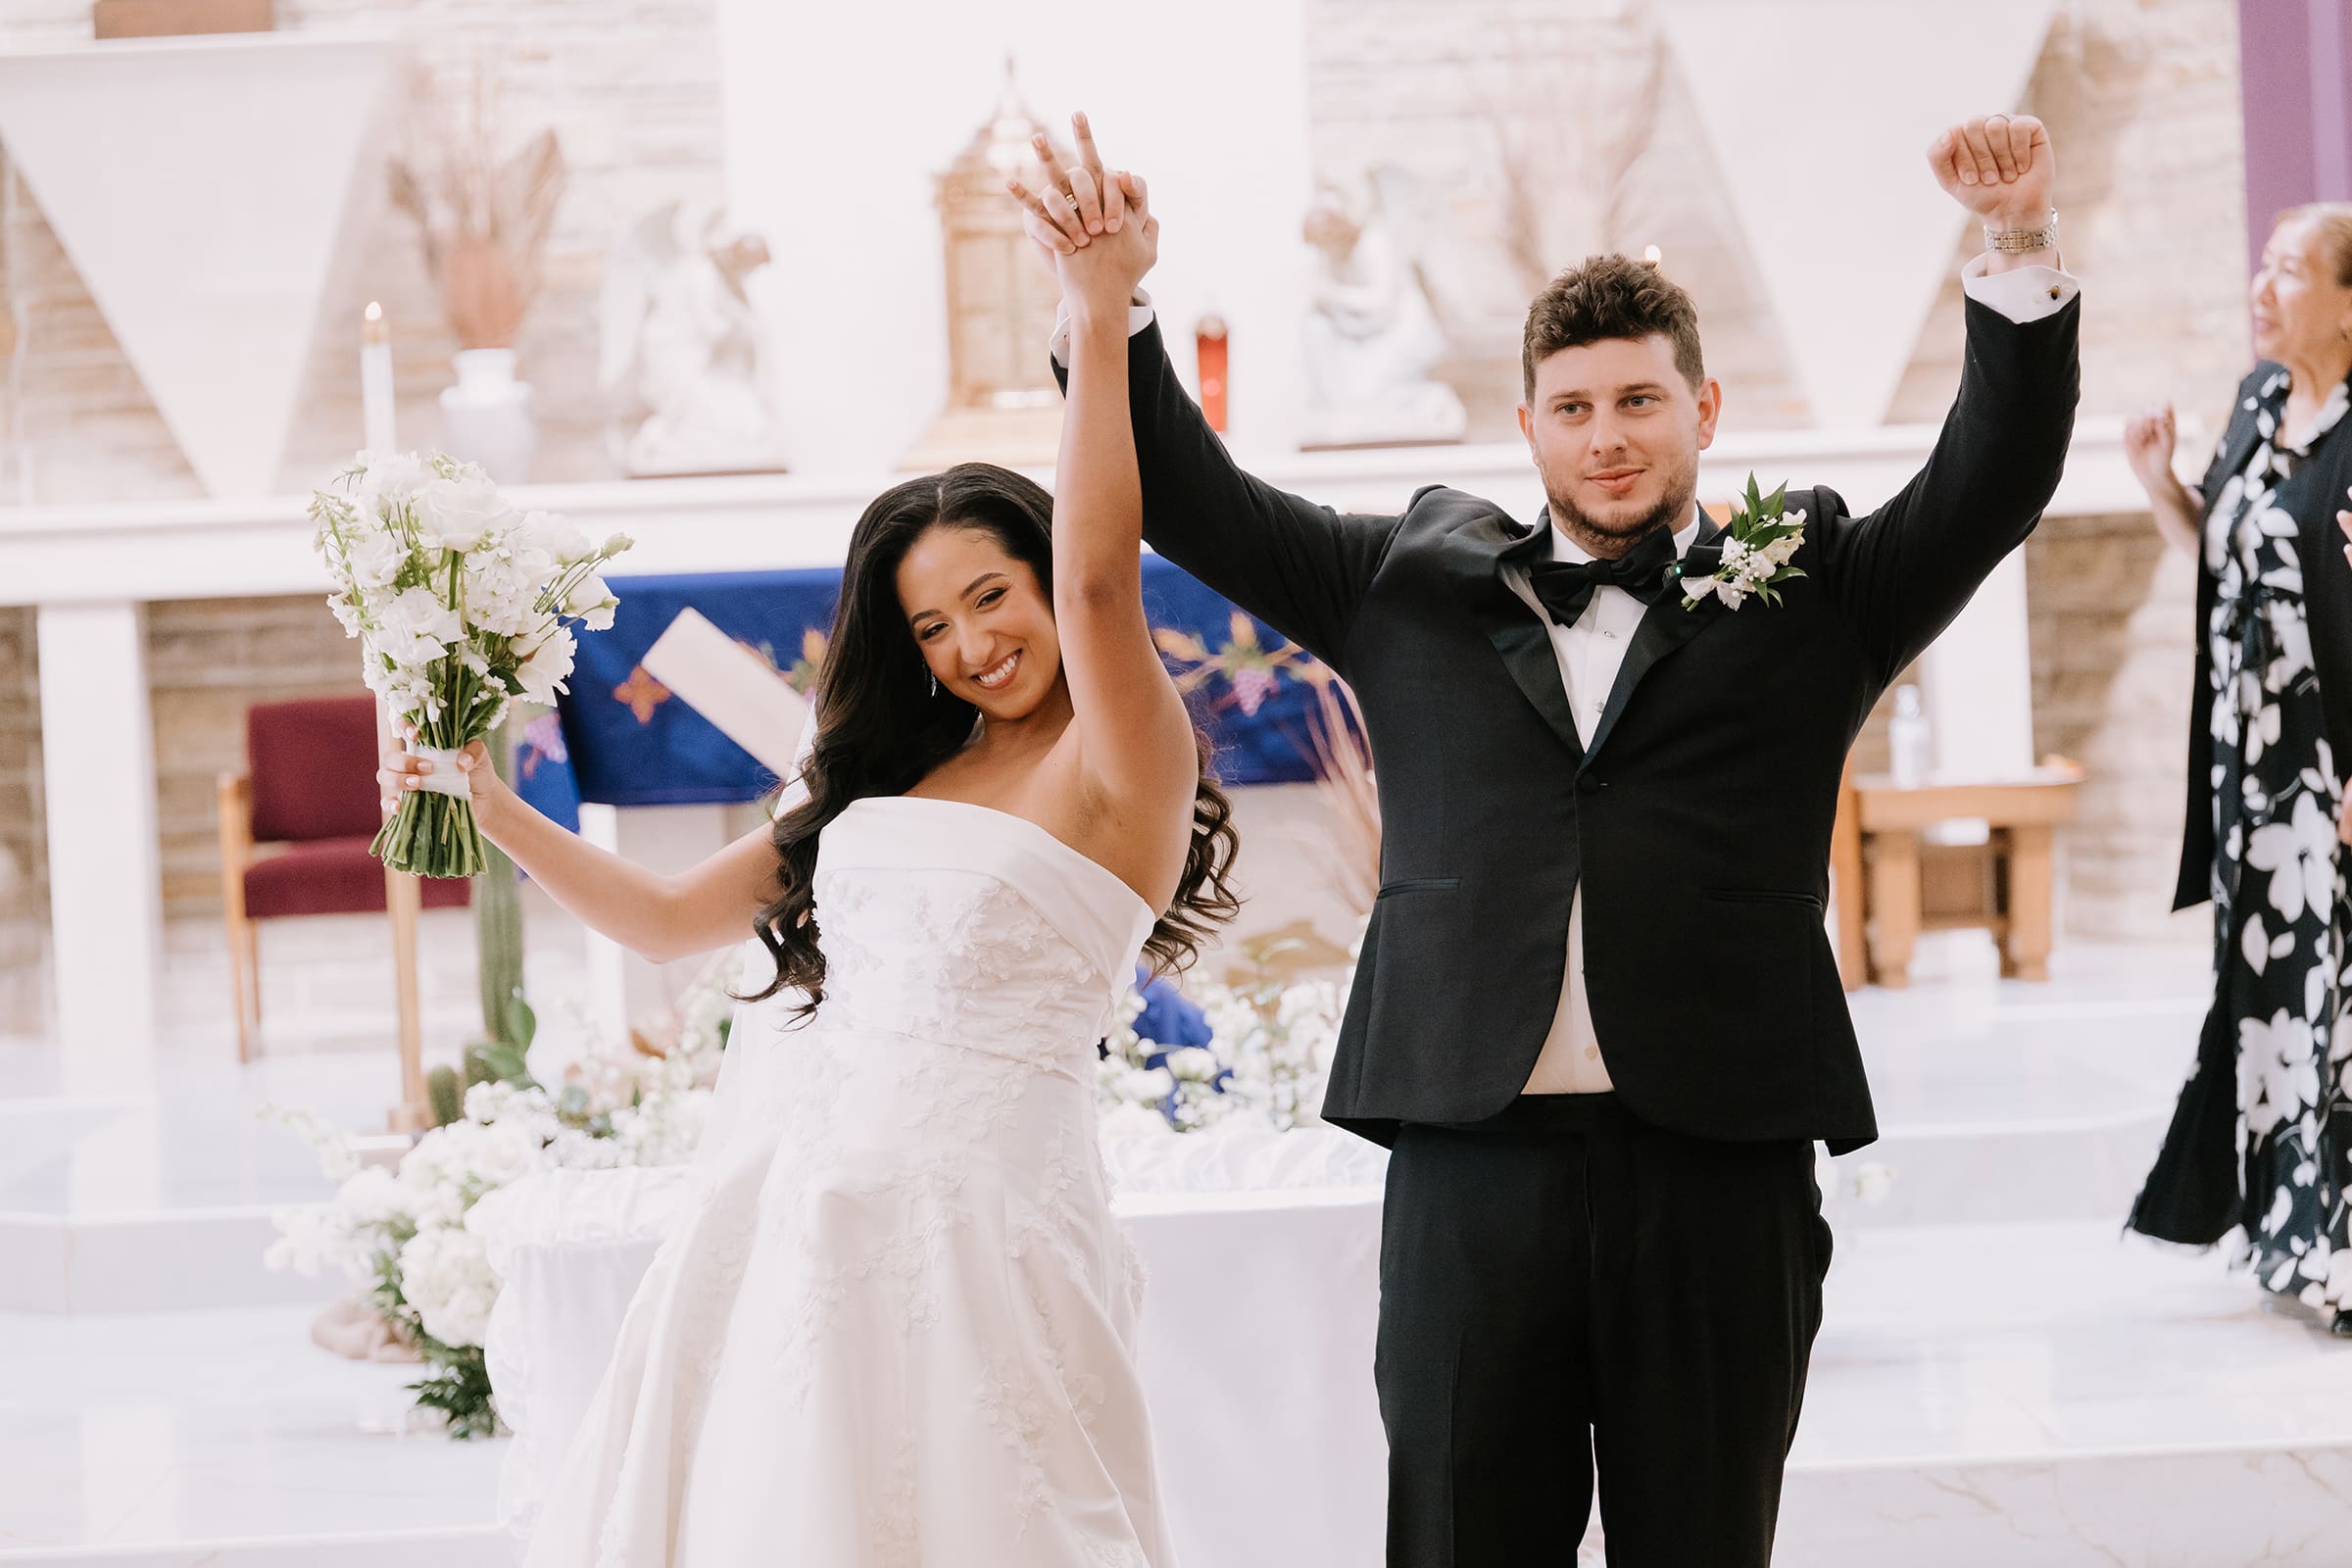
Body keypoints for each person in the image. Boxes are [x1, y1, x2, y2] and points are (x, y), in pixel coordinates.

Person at [1012, 111, 2079, 1564]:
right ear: (1527, 429)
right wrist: (1111, 298)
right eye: (1572, 407)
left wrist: (2014, 243)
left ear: (1705, 411)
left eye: (1639, 400)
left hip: (1719, 1163)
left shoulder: (1817, 586)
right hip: (1472, 1160)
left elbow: (1994, 477)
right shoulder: (1404, 580)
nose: (1607, 436)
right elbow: (1198, 502)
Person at [380, 177, 1234, 1563]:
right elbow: (668, 921)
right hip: (800, 1223)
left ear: (1043, 579)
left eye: (992, 596)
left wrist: (1093, 309)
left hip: (990, 1233)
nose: (972, 645)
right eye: (932, 626)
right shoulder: (889, 779)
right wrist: (492, 808)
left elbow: (1100, 582)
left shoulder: (1119, 760)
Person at [2124, 201, 2352, 1337]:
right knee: (2267, 1004)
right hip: (2249, 777)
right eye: (2263, 264)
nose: (2264, 287)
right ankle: (2285, 1230)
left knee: (2338, 1009)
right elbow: (2225, 560)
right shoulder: (2260, 403)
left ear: (2349, 304)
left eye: (2291, 269)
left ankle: (2339, 1243)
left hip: (2331, 775)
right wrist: (2162, 484)